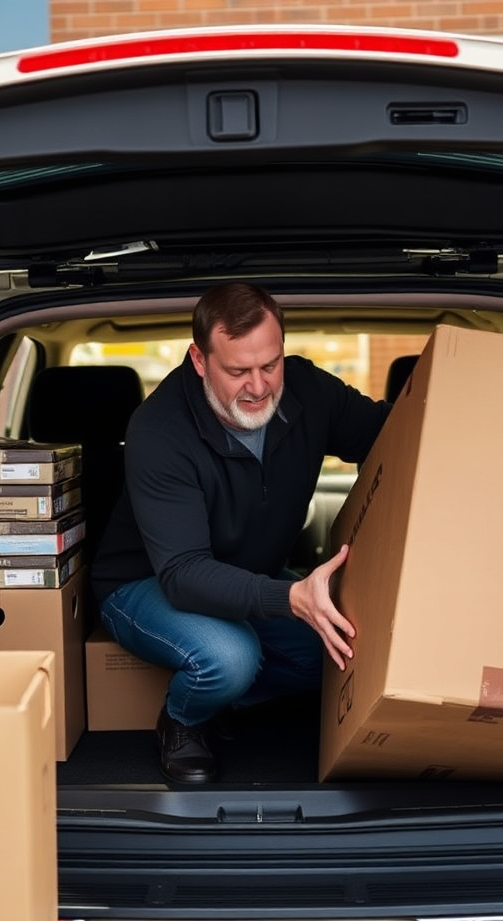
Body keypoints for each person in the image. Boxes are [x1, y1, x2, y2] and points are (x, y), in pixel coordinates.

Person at [90, 283, 391, 784]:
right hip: (145, 582)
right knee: (230, 657)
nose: (258, 386)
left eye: (269, 365)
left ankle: (234, 694)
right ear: (199, 359)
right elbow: (184, 575)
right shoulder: (159, 432)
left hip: (245, 572)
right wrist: (292, 596)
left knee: (351, 654)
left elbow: (393, 433)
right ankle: (185, 719)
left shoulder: (309, 391)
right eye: (237, 371)